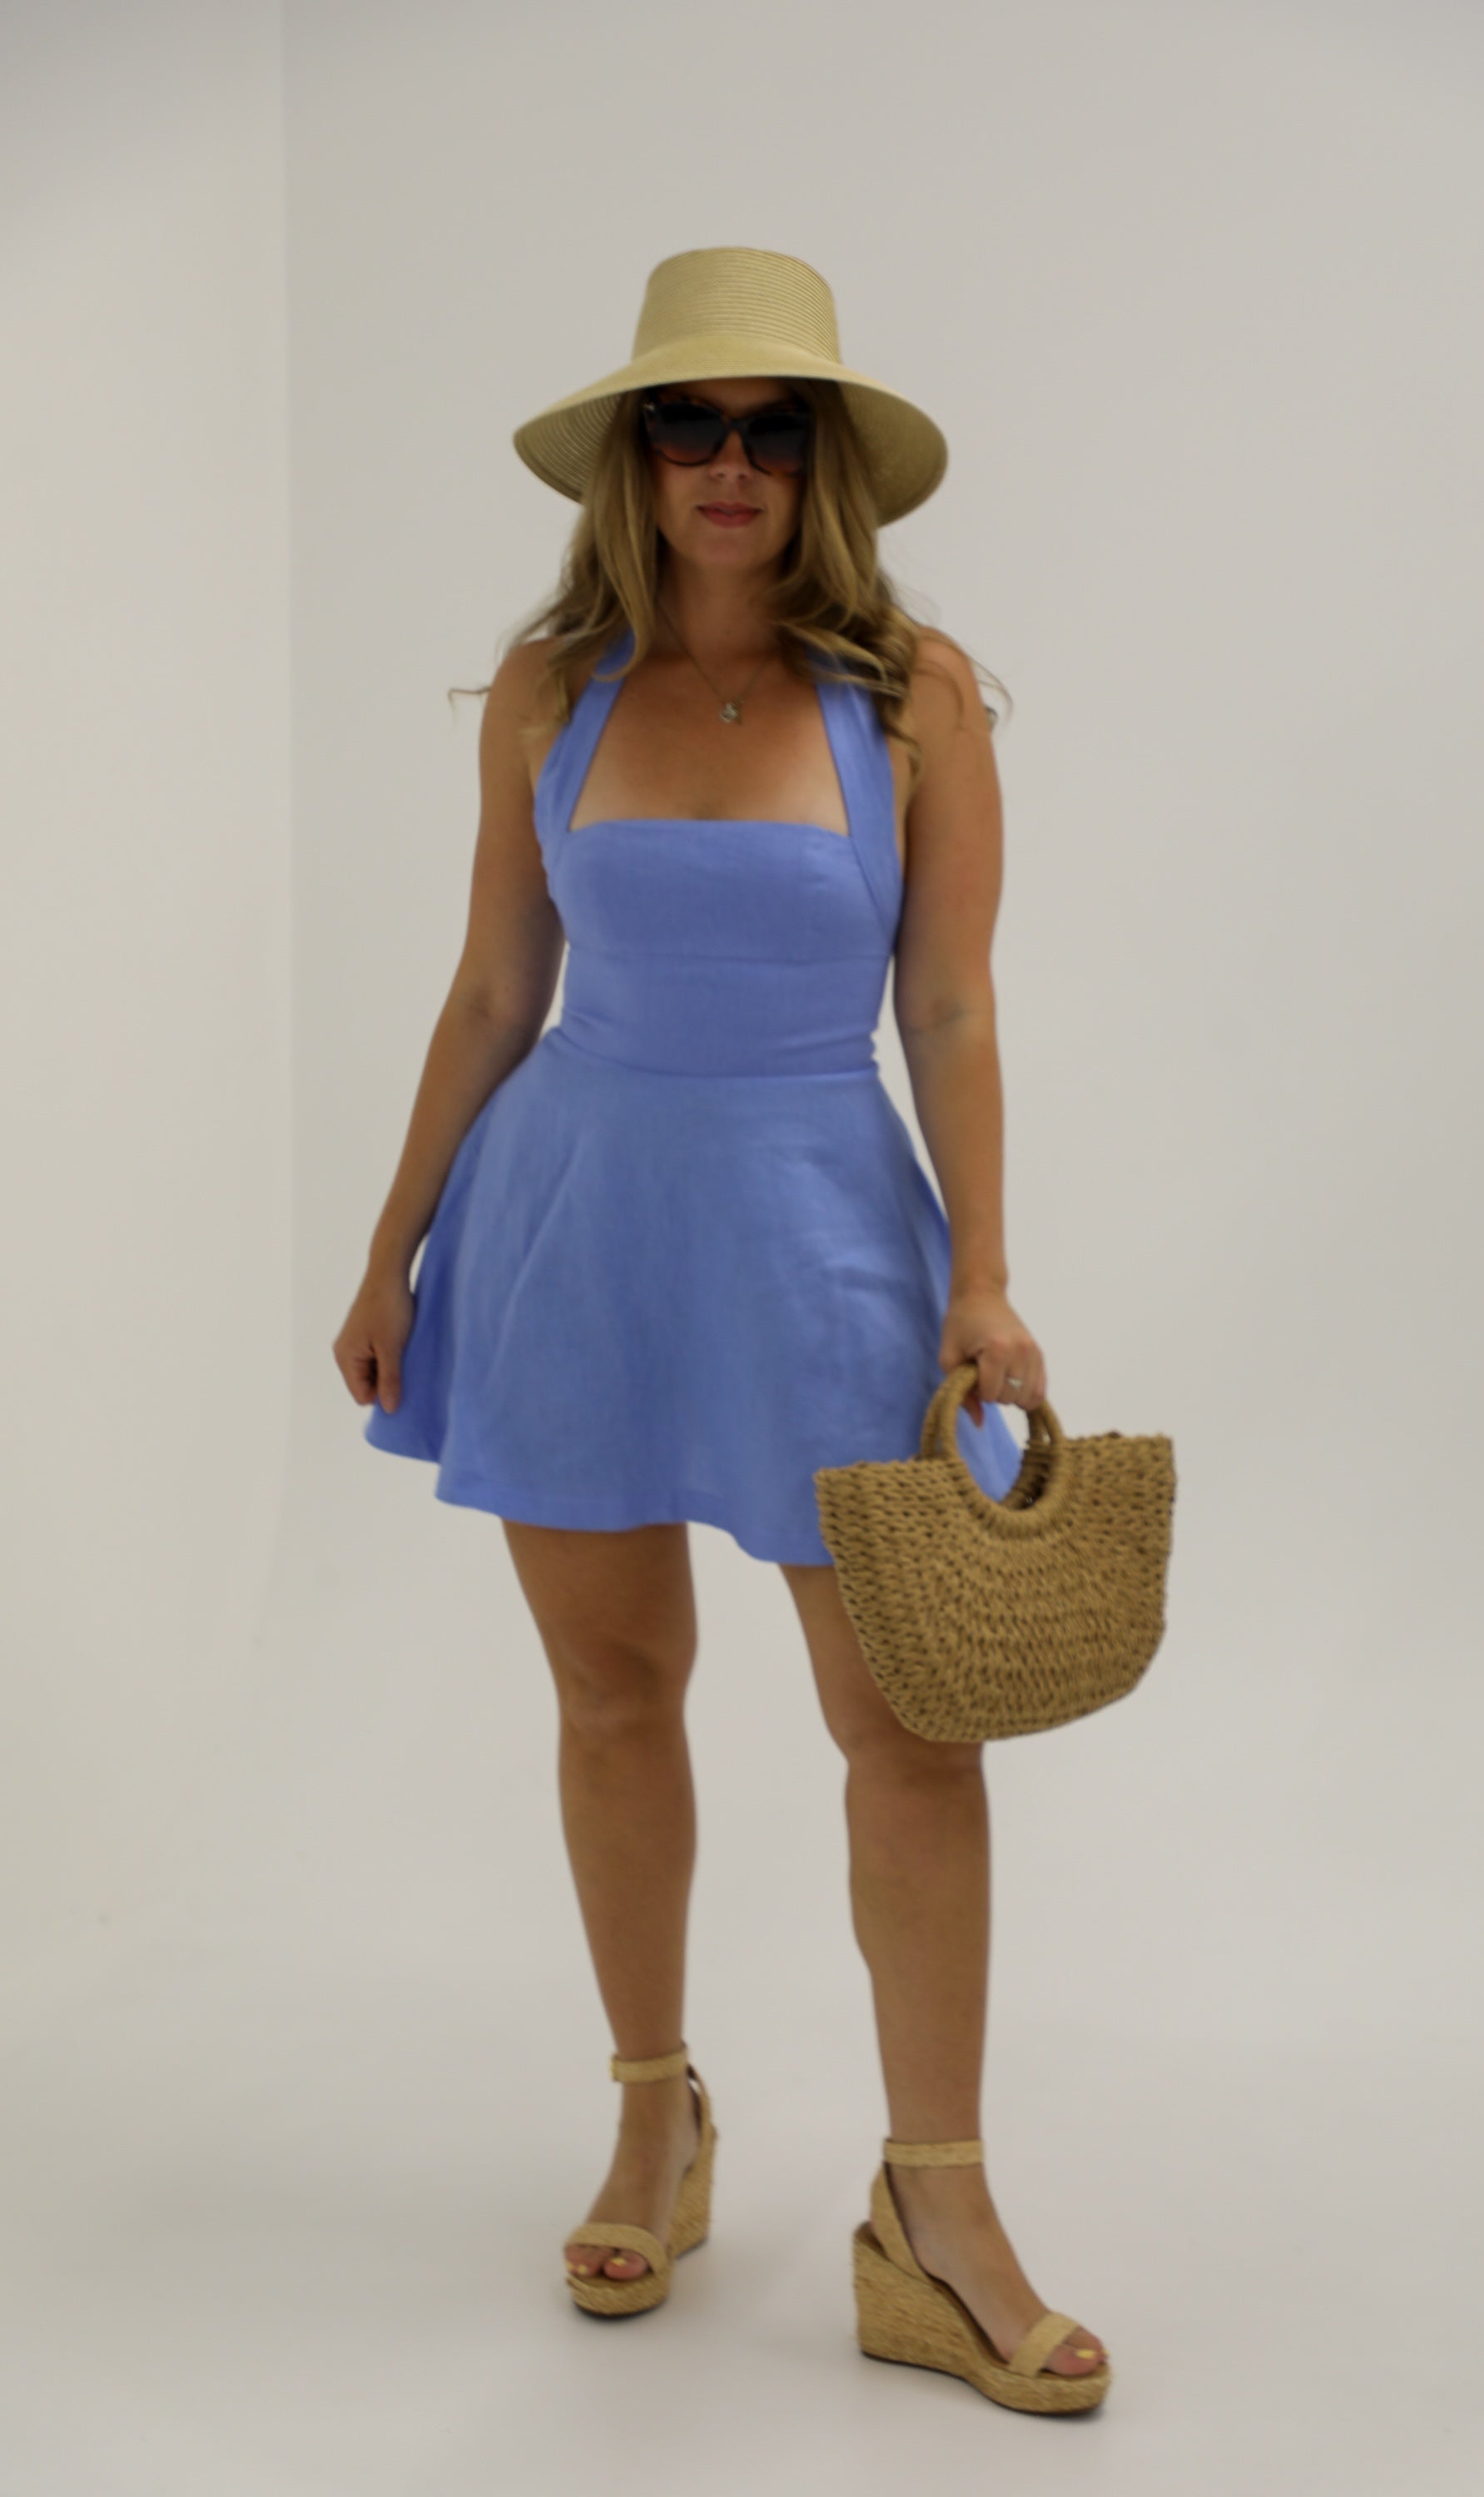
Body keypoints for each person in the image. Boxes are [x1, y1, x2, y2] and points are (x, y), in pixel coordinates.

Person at [333, 247, 1109, 2411]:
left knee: (913, 1728)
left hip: (822, 1236)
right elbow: (497, 987)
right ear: (637, 457)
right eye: (693, 423)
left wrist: (984, 1271)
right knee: (613, 1692)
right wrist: (393, 1247)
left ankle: (935, 2207)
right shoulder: (548, 686)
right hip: (574, 1225)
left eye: (776, 429)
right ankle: (653, 2114)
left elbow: (948, 1003)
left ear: (824, 462)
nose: (732, 463)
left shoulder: (911, 694)